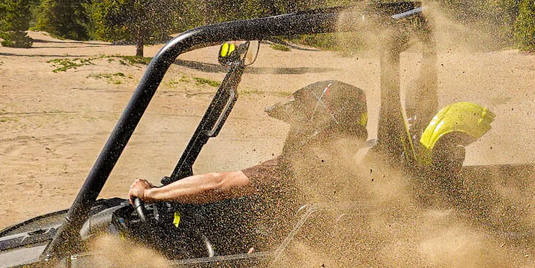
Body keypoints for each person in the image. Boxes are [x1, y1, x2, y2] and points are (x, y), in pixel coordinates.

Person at [128, 79, 368, 210]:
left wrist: (152, 193)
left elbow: (219, 185)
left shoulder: (299, 170)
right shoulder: (356, 174)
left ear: (314, 127)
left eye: (298, 124)